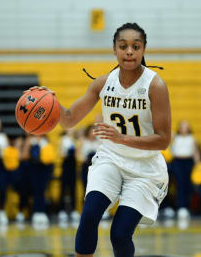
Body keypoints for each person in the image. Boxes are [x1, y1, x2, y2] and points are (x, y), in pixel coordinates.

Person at [27, 22, 171, 257]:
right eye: (123, 46)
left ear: (144, 49)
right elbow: (69, 119)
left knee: (120, 234)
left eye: (136, 46)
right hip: (111, 159)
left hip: (144, 169)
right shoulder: (103, 83)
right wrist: (49, 100)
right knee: (89, 216)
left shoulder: (155, 86)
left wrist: (121, 138)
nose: (129, 52)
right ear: (114, 49)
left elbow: (163, 140)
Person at [170, 119, 200, 219]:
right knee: (180, 184)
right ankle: (181, 207)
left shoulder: (192, 138)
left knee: (188, 185)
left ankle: (188, 206)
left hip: (189, 162)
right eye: (182, 126)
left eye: (186, 126)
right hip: (178, 162)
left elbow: (196, 152)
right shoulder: (175, 137)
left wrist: (198, 164)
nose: (184, 128)